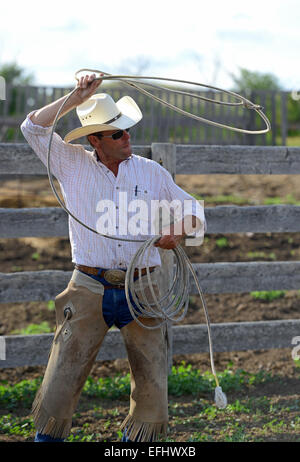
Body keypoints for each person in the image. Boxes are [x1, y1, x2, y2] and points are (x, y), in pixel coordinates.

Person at [20, 73, 206, 443]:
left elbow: (194, 210)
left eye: (126, 130)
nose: (127, 137)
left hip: (144, 285)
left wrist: (178, 232)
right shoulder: (72, 164)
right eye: (117, 133)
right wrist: (76, 97)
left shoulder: (150, 171)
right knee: (62, 377)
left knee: (152, 382)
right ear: (95, 140)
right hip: (89, 285)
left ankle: (132, 447)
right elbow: (33, 128)